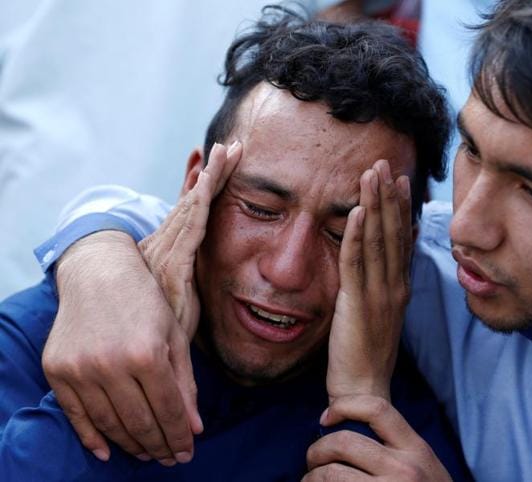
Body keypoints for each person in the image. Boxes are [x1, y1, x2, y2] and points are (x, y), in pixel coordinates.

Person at [32, 0, 532, 480]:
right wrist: (100, 265)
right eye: (473, 153)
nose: (464, 226)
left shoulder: (429, 276)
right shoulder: (418, 263)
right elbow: (186, 214)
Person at [0, 7, 470, 482]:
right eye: (260, 209)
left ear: (401, 250)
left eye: (342, 234)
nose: (287, 270)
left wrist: (361, 408)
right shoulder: (39, 343)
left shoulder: (412, 435)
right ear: (194, 188)